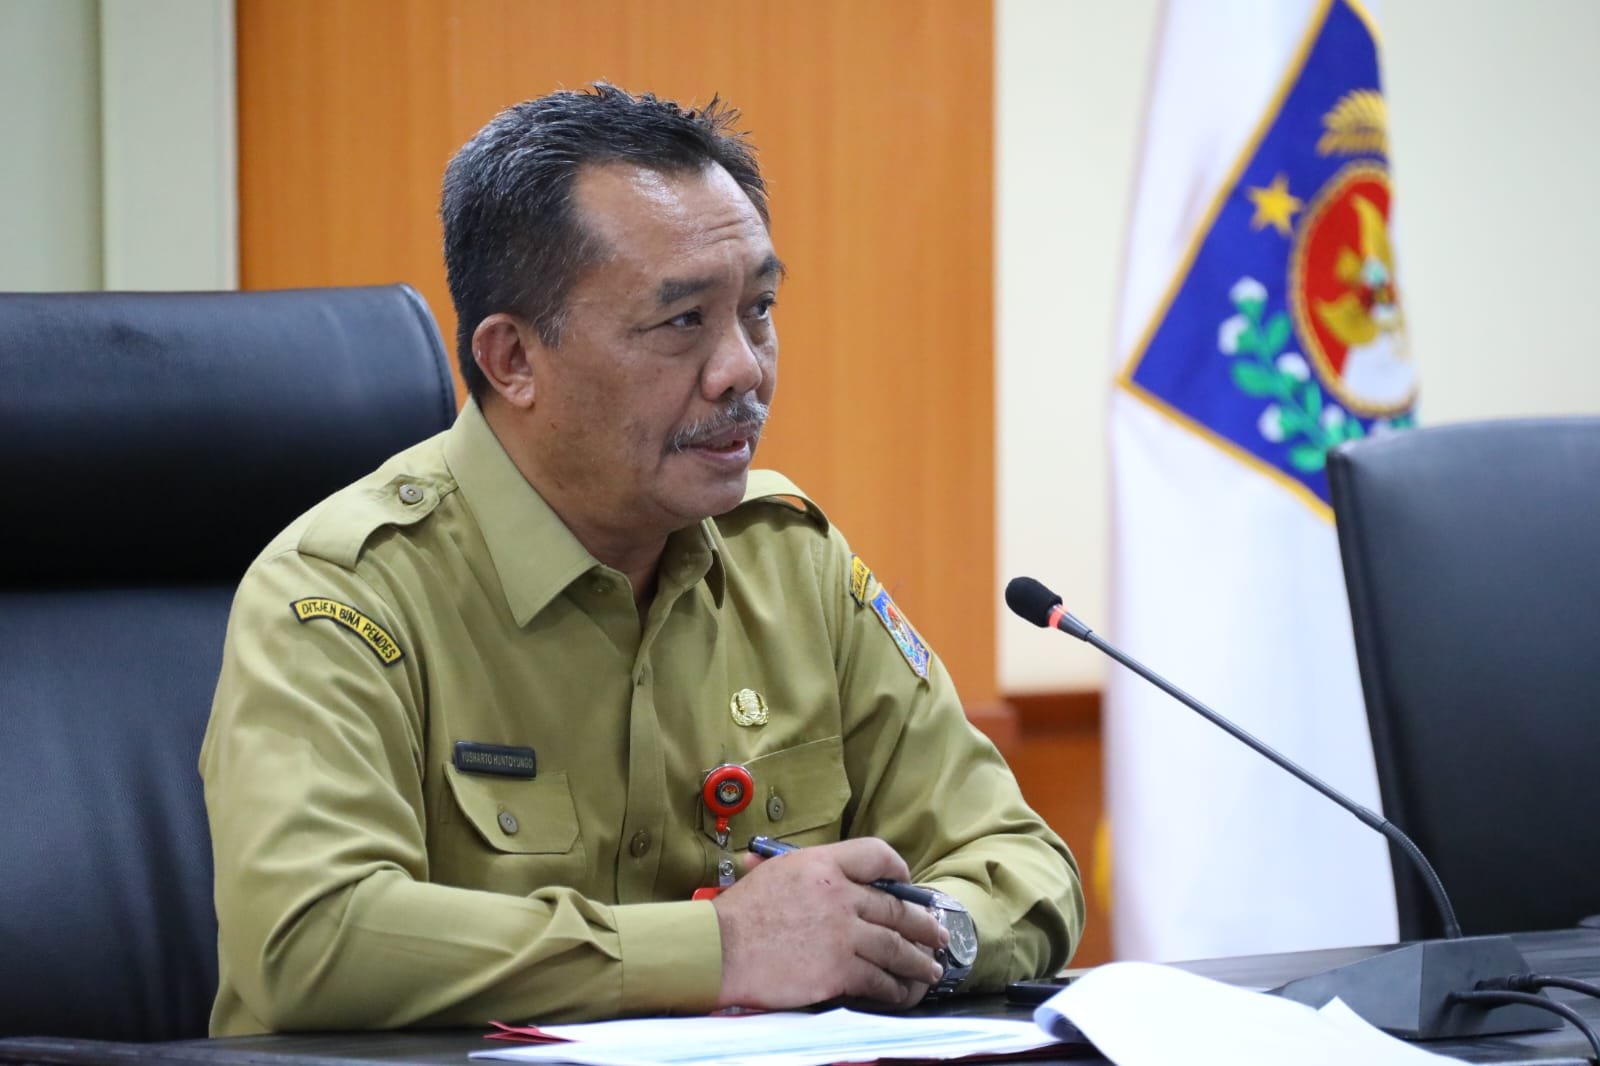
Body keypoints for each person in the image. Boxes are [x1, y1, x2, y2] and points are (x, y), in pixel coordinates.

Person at [201, 84, 1083, 1036]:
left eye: (759, 309)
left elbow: (1021, 863)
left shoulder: (792, 565)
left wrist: (913, 936)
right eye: (682, 322)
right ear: (513, 360)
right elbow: (310, 937)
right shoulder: (345, 592)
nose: (743, 368)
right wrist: (723, 949)